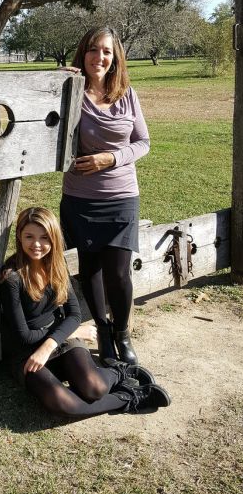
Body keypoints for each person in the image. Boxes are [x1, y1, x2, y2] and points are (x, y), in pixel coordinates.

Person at [0, 207, 171, 419]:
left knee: (94, 388)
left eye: (44, 238)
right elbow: (23, 336)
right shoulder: (12, 278)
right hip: (27, 353)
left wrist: (54, 341)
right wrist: (71, 333)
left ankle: (120, 372)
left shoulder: (56, 266)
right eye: (29, 237)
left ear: (54, 239)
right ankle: (130, 398)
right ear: (19, 236)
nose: (36, 244)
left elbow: (74, 314)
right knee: (62, 403)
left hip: (57, 341)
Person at [60, 26, 150, 366]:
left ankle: (121, 333)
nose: (100, 57)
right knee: (91, 269)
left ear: (115, 58)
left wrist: (110, 158)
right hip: (80, 197)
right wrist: (54, 79)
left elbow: (143, 142)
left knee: (119, 272)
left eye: (107, 52)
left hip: (121, 195)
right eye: (93, 50)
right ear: (83, 53)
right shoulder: (71, 90)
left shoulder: (126, 93)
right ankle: (101, 329)